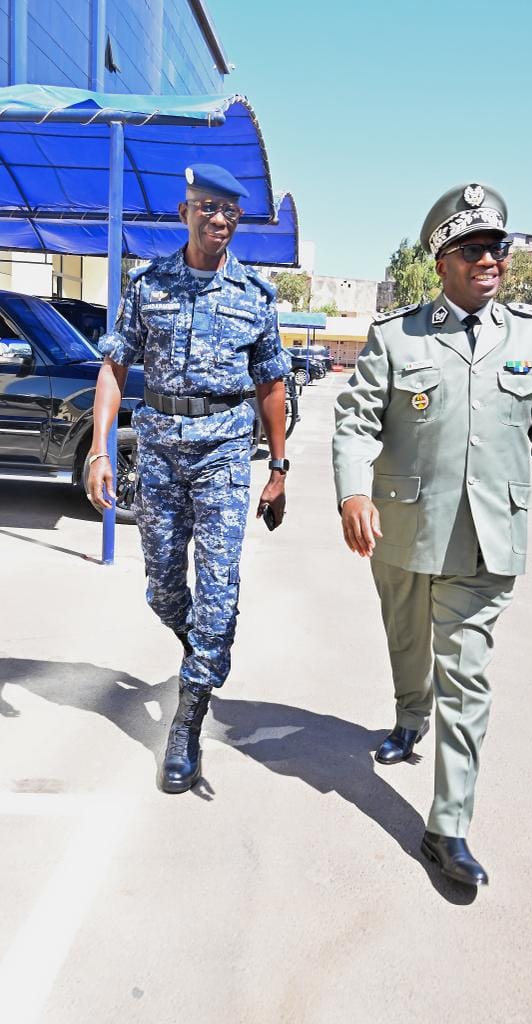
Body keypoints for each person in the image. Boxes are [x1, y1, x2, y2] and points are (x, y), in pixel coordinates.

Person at [333, 182, 532, 886]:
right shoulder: (396, 335)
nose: (490, 260)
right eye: (473, 249)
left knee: (467, 677)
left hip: (487, 539)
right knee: (407, 640)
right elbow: (355, 422)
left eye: (497, 248)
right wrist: (353, 491)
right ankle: (409, 714)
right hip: (404, 526)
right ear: (442, 260)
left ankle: (448, 828)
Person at [89, 163, 291, 794]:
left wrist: (278, 468)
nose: (218, 219)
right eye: (207, 207)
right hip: (159, 454)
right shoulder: (148, 285)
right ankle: (207, 642)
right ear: (185, 214)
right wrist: (99, 451)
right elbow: (114, 369)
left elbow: (272, 384)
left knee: (218, 587)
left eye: (229, 211)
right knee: (164, 592)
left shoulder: (256, 297)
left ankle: (187, 719)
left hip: (225, 455)